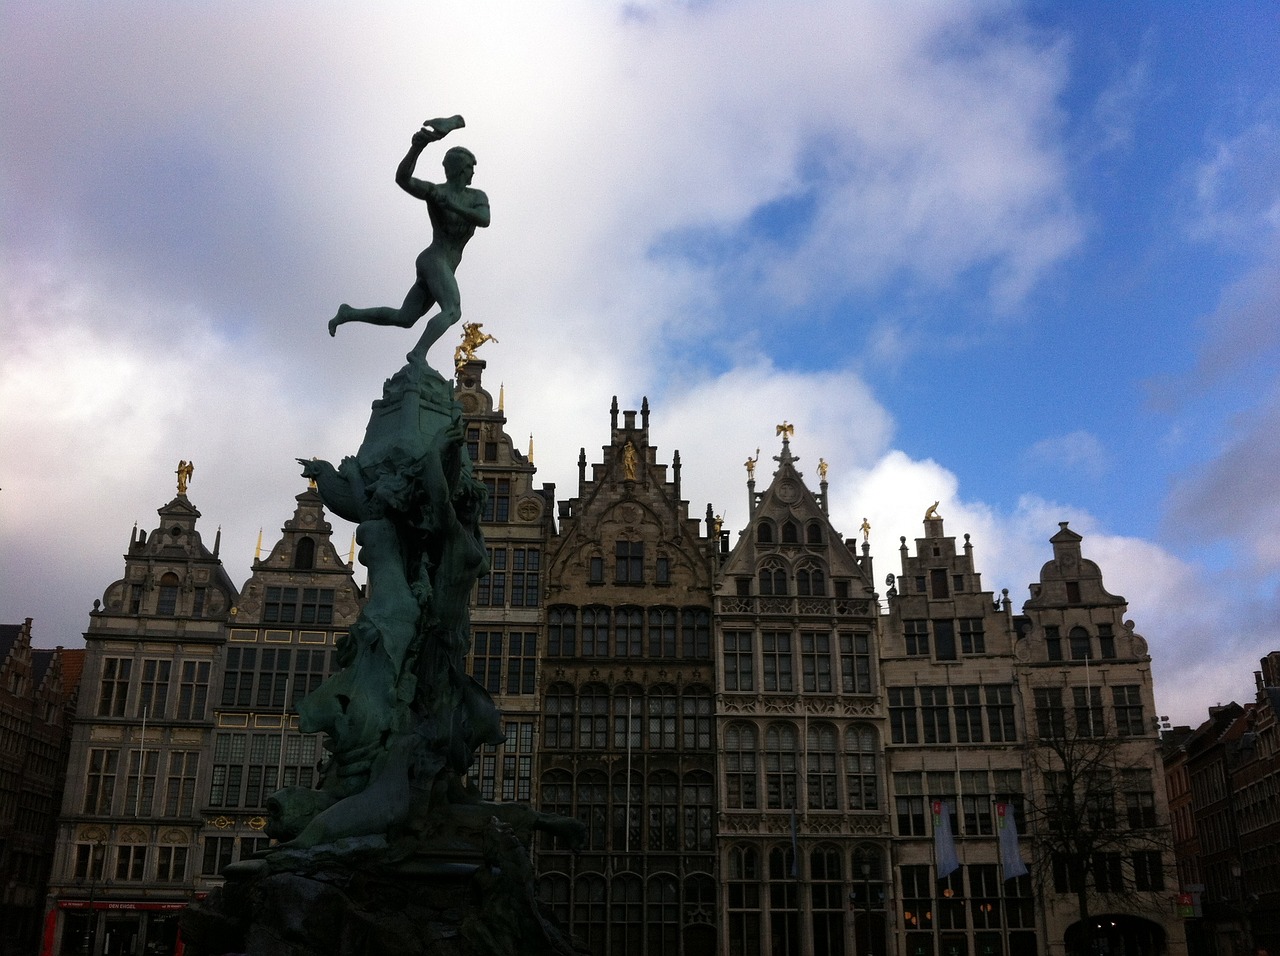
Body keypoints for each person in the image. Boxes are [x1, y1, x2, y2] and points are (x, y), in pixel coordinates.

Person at [329, 117, 491, 363]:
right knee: (452, 310)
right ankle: (418, 354)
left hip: (444, 264)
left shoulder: (477, 197)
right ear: (460, 169)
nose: (473, 172)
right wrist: (417, 148)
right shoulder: (436, 192)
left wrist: (453, 206)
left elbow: (484, 219)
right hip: (434, 260)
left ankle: (348, 313)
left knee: (404, 318)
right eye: (470, 168)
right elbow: (403, 179)